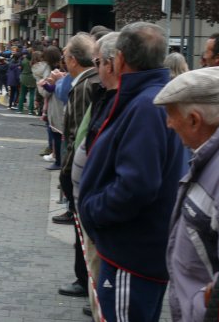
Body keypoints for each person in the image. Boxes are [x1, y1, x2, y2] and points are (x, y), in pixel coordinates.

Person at [78, 22, 185, 321]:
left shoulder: (145, 105)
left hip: (131, 254)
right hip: (135, 251)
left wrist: (93, 211)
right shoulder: (146, 98)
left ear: (120, 59)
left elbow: (137, 185)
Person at [151, 66, 219, 321]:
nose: (168, 123)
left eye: (172, 115)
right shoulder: (212, 157)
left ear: (195, 119)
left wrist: (200, 304)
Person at [71, 31, 120, 320]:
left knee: (105, 280)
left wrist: (93, 208)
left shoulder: (129, 103)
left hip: (101, 214)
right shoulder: (106, 93)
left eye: (98, 61)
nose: (96, 67)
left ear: (113, 63)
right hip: (93, 206)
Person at [54, 33, 101, 300]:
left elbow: (79, 135)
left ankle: (84, 281)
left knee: (81, 231)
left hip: (81, 170)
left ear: (72, 59)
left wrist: (68, 172)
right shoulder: (88, 81)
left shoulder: (84, 86)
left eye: (65, 57)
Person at [17, 50, 36, 114]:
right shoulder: (33, 62)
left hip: (24, 77)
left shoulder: (23, 61)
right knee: (32, 94)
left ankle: (20, 109)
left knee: (22, 93)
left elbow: (20, 68)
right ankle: (31, 110)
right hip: (31, 78)